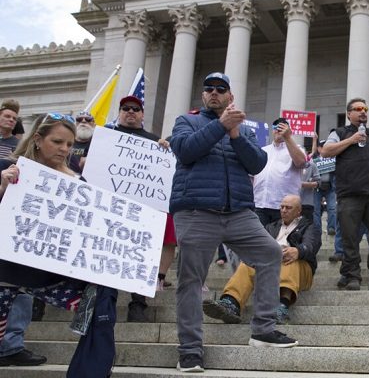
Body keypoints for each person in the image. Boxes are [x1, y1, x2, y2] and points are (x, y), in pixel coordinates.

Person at [170, 72, 297, 373]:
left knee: (269, 253)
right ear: (203, 96)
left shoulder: (244, 130)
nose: (214, 93)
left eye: (221, 89)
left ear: (230, 96)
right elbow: (185, 151)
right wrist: (221, 126)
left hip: (238, 212)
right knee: (191, 279)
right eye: (209, 89)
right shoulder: (187, 122)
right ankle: (189, 350)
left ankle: (263, 329)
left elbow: (257, 163)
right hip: (197, 211)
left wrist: (236, 134)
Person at [0, 113, 117, 376]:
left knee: (102, 299)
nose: (65, 149)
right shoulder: (7, 170)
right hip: (5, 272)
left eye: (69, 144)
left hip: (49, 276)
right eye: (57, 142)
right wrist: (3, 188)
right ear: (38, 140)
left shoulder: (78, 183)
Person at [203, 195, 321, 325]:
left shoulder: (310, 227)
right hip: (271, 265)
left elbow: (311, 246)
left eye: (288, 208)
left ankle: (281, 306)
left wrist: (298, 251)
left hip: (300, 270)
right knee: (247, 264)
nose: (283, 210)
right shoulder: (271, 227)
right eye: (282, 207)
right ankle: (231, 303)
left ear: (298, 211)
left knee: (289, 260)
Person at [109, 95, 176, 319]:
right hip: (112, 207)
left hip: (142, 208)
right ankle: (104, 300)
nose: (130, 112)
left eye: (135, 109)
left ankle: (138, 302)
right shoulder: (106, 137)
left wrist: (165, 150)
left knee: (142, 253)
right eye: (126, 108)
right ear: (119, 112)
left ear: (142, 114)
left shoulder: (153, 141)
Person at [320, 98, 369, 291]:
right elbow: (326, 151)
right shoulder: (339, 133)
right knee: (350, 237)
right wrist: (351, 140)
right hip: (350, 194)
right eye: (358, 109)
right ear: (348, 114)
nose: (363, 112)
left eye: (365, 109)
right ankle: (352, 275)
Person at [252, 117, 307, 226]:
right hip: (260, 204)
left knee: (281, 240)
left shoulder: (297, 149)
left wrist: (288, 138)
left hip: (284, 207)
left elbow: (301, 162)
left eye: (282, 128)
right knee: (259, 240)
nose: (278, 130)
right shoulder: (264, 150)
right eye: (276, 127)